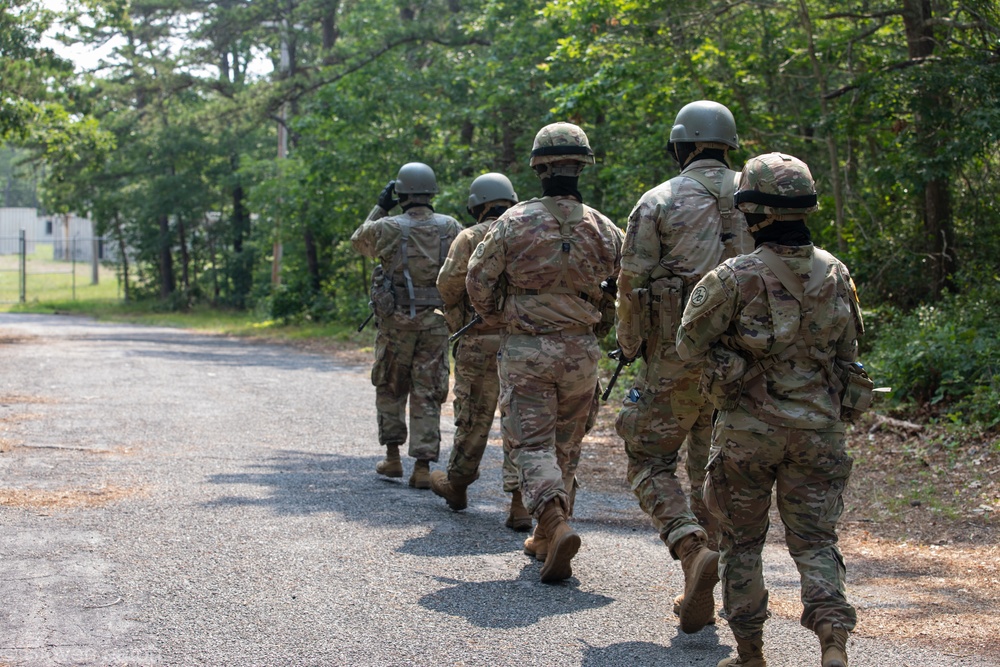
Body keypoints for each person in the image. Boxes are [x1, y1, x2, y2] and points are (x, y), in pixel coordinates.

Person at [676, 152, 862, 667]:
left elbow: (688, 346)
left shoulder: (732, 277)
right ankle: (832, 641)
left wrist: (732, 359)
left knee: (742, 543)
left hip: (746, 435)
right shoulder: (836, 273)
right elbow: (848, 354)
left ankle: (751, 653)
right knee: (817, 542)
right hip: (819, 433)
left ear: (752, 213)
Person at [613, 100, 751, 633]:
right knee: (714, 472)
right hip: (744, 363)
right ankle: (711, 587)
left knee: (647, 460)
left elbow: (632, 282)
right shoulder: (759, 193)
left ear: (682, 145)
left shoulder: (659, 200)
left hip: (675, 358)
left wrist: (629, 344)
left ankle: (691, 550)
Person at [466, 122, 623, 583]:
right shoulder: (606, 228)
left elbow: (478, 280)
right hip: (581, 352)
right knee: (566, 446)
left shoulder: (513, 222)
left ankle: (553, 524)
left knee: (530, 444)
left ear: (538, 168)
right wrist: (598, 323)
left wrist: (498, 317)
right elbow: (624, 288)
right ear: (582, 168)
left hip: (528, 349)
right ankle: (546, 531)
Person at [430, 172, 532, 531]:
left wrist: (461, 322)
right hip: (522, 341)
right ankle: (519, 504)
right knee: (519, 421)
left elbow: (448, 284)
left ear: (477, 205)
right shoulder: (526, 230)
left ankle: (457, 486)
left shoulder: (470, 236)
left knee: (473, 415)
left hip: (479, 340)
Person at [351, 162, 461, 489]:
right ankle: (423, 467)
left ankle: (393, 457)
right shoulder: (451, 226)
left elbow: (358, 241)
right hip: (436, 323)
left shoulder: (385, 226)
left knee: (390, 384)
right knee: (428, 390)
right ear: (431, 193)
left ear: (400, 193)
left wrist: (380, 205)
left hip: (395, 324)